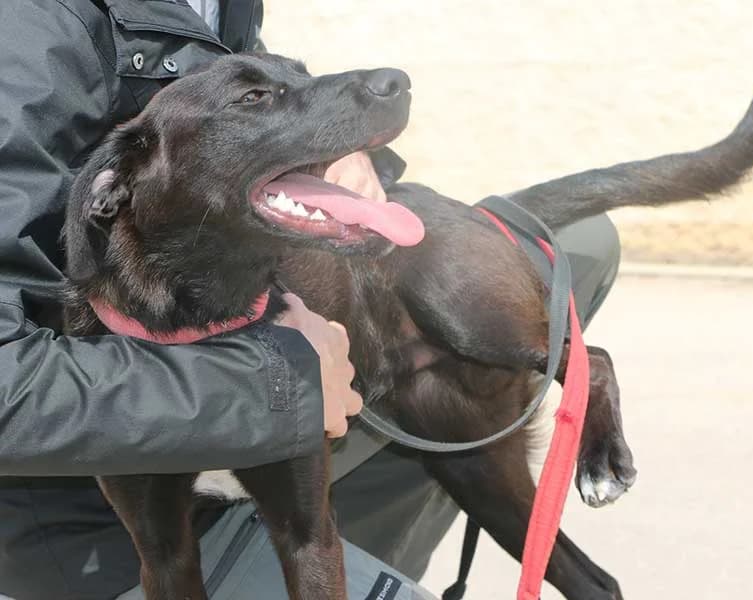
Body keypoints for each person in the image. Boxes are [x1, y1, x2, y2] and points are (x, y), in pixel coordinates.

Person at [0, 1, 620, 599]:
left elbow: (251, 128)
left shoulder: (225, 9)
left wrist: (350, 151)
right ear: (105, 195)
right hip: (73, 490)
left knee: (583, 245)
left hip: (282, 367)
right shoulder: (27, 34)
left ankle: (375, 551)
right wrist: (275, 384)